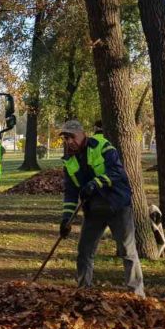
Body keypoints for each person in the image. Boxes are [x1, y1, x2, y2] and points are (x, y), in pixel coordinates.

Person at [58, 120, 145, 297]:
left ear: (82, 134)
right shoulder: (69, 161)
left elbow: (117, 172)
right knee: (84, 252)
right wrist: (66, 218)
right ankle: (84, 292)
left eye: (71, 137)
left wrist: (95, 183)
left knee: (128, 251)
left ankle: (137, 294)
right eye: (66, 138)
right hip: (93, 211)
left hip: (117, 205)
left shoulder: (102, 145)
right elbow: (71, 193)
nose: (69, 142)